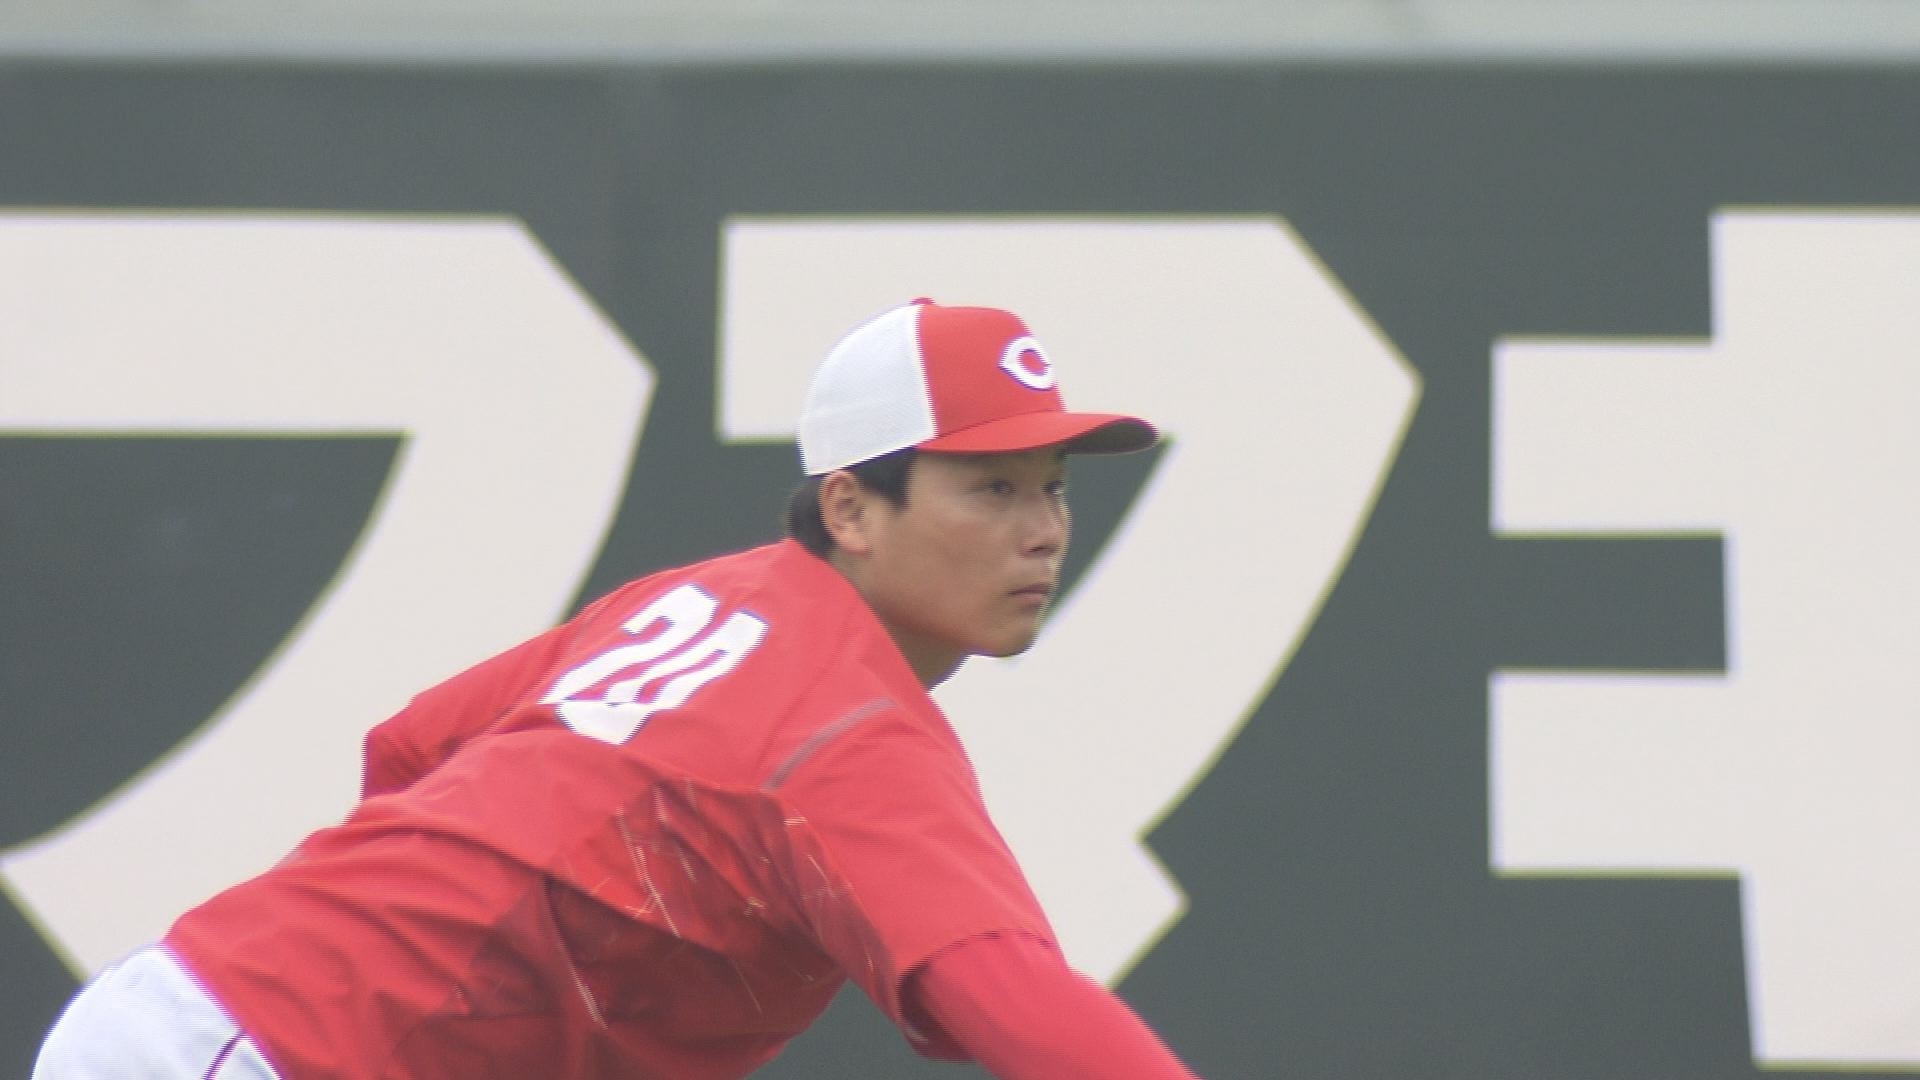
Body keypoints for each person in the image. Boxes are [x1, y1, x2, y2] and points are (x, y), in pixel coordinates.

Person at [32, 299, 1202, 1079]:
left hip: (221, 1011)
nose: (1044, 531)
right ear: (849, 507)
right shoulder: (843, 725)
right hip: (270, 1051)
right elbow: (1013, 998)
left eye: (1052, 486)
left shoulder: (707, 600)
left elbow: (412, 747)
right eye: (991, 489)